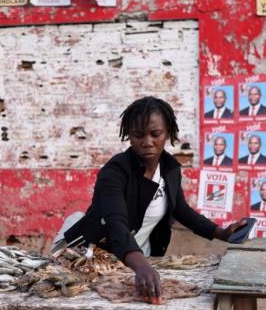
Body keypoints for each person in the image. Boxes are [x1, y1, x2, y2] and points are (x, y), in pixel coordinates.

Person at [59, 96, 247, 302]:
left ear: (167, 133)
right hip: (93, 257)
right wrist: (142, 267)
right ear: (129, 136)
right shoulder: (114, 172)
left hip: (135, 258)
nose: (147, 142)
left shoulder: (169, 168)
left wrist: (222, 233)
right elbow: (116, 224)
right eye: (139, 135)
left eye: (155, 134)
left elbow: (181, 211)